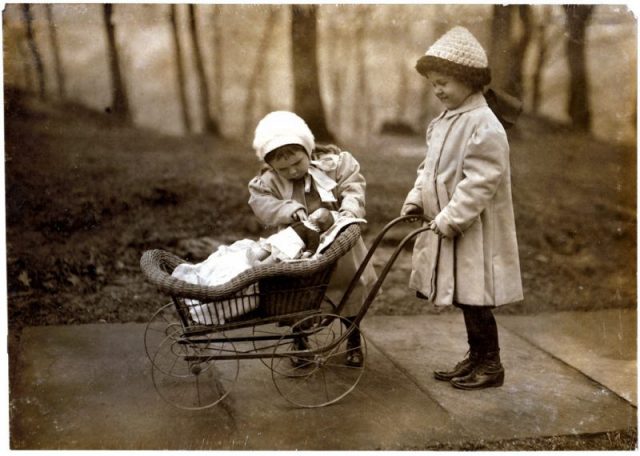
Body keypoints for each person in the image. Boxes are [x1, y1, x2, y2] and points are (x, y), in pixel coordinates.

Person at [400, 26, 523, 390]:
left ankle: (491, 363)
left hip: (473, 230)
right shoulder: (443, 121)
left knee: (476, 298)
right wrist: (416, 198)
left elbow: (481, 182)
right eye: (433, 84)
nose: (438, 90)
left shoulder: (485, 125)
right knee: (465, 298)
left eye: (444, 83)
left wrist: (450, 218)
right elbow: (429, 169)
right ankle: (476, 356)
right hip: (448, 227)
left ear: (469, 80)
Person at [248, 111, 377, 367]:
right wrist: (286, 209)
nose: (292, 171)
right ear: (272, 166)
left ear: (308, 150)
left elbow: (353, 187)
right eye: (283, 169)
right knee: (297, 293)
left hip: (339, 242)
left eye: (297, 162)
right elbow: (260, 202)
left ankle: (352, 338)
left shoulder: (334, 165)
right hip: (297, 246)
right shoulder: (268, 181)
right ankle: (299, 341)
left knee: (348, 288)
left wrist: (349, 210)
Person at [171, 208, 336, 325]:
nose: (312, 216)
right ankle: (256, 259)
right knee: (266, 248)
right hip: (280, 240)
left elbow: (311, 248)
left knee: (274, 258)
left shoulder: (313, 233)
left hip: (289, 247)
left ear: (321, 225)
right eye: (314, 214)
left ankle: (259, 267)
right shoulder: (302, 224)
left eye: (317, 217)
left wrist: (307, 255)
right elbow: (287, 229)